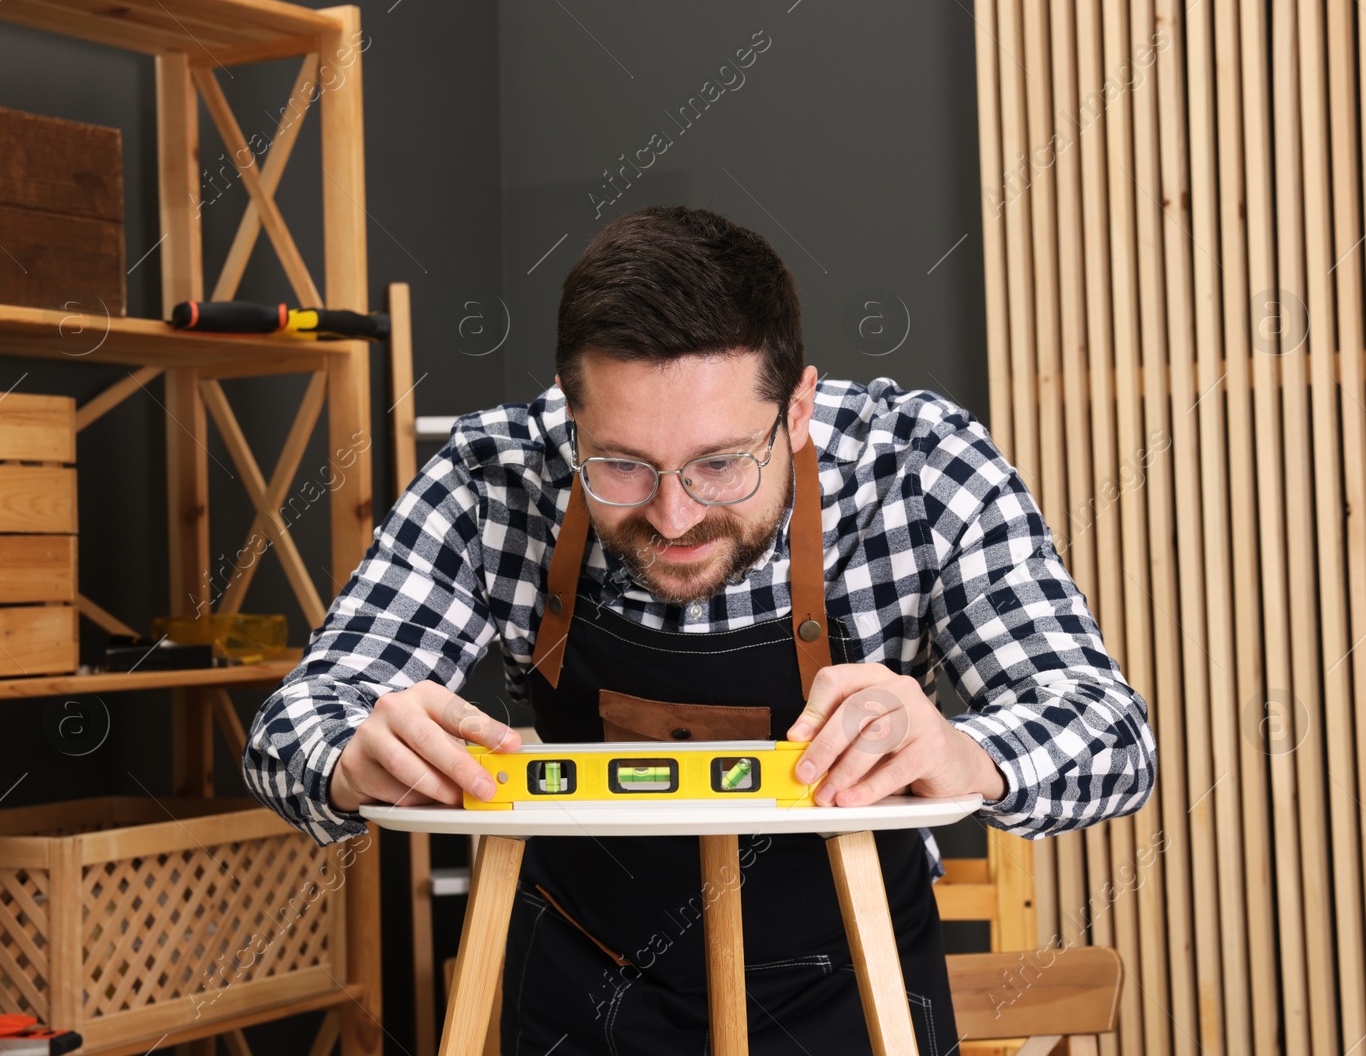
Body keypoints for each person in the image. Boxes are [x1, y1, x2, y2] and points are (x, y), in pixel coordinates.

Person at [244, 205, 1157, 1055]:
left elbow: (1111, 736)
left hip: (854, 993)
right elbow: (292, 729)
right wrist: (349, 756)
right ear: (573, 419)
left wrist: (967, 752)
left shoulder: (916, 467)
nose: (675, 517)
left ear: (796, 408)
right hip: (577, 993)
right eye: (624, 467)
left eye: (721, 464)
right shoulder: (493, 477)